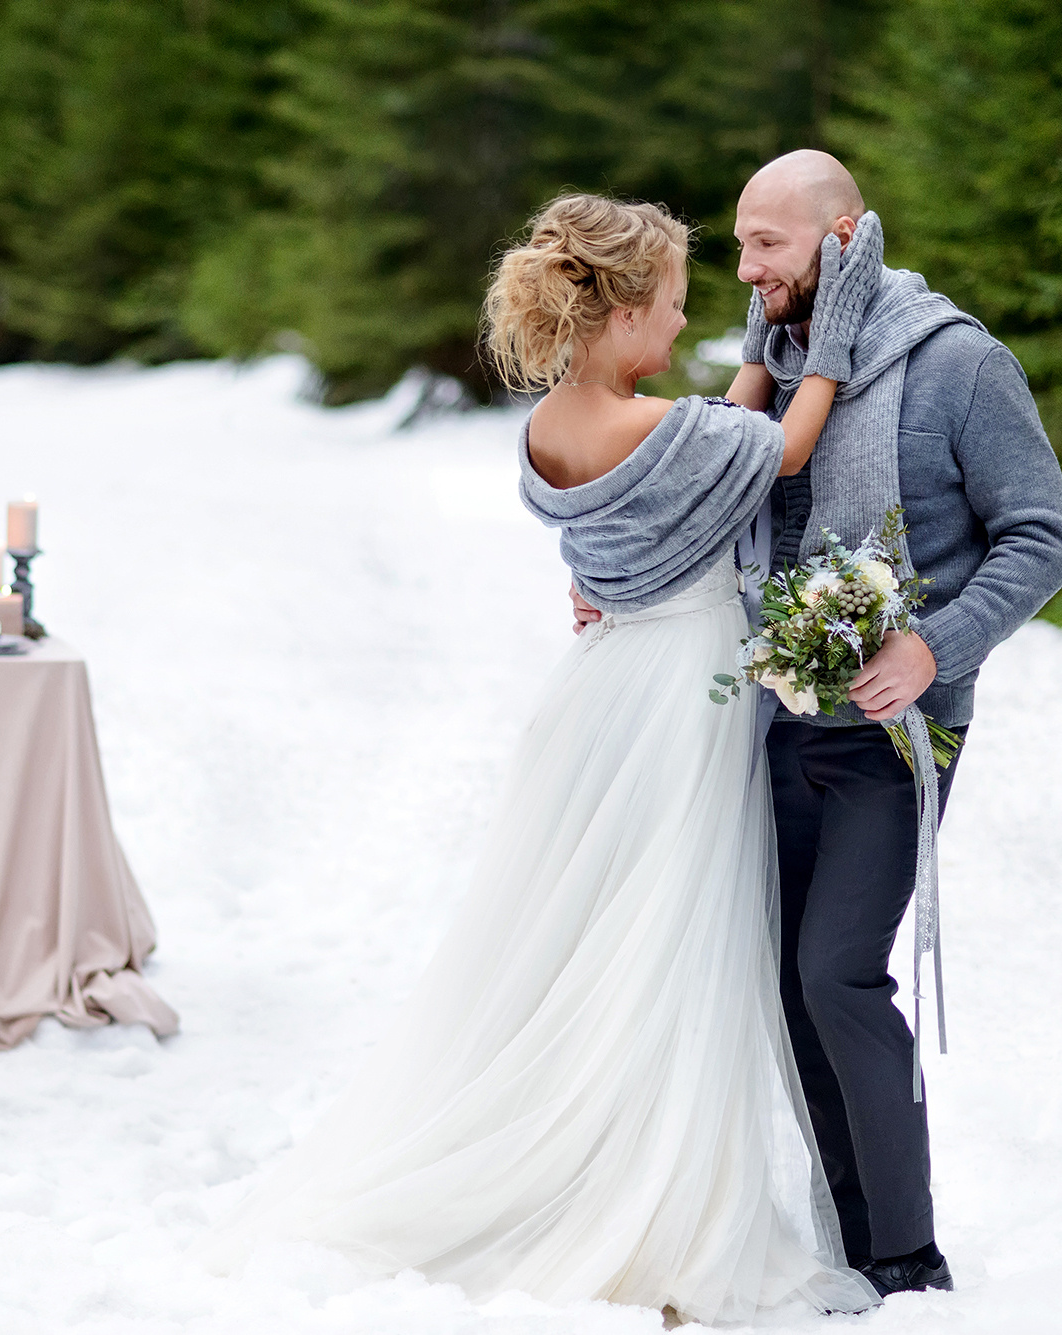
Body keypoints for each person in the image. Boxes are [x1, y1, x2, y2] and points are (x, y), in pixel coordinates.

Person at [197, 193, 882, 1321]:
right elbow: (780, 443)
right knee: (664, 936)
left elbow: (711, 434)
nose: (679, 328)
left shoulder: (554, 427)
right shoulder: (659, 428)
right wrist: (829, 331)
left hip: (603, 690)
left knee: (589, 935)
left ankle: (589, 1149)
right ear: (615, 317)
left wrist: (757, 359)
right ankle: (632, 1189)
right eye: (667, 307)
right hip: (676, 700)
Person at [573, 151, 1062, 1297]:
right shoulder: (776, 361)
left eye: (767, 246)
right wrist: (614, 581)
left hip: (896, 732)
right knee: (782, 977)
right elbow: (697, 499)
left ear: (842, 237)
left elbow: (1038, 539)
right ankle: (848, 1246)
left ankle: (908, 1258)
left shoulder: (955, 362)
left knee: (838, 972)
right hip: (766, 721)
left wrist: (930, 645)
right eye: (739, 245)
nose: (745, 271)